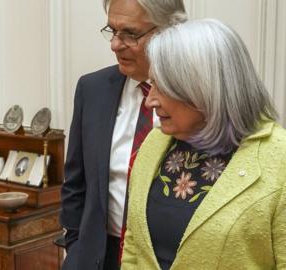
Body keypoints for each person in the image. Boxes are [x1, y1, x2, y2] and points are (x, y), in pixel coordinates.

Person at [121, 19, 285, 269]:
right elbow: (134, 246)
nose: (149, 101)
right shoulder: (155, 142)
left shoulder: (279, 159)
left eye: (161, 86)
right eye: (151, 83)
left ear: (203, 88)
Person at [60, 0, 186, 269]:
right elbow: (75, 182)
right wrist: (75, 247)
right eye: (112, 30)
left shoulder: (192, 102)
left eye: (130, 34)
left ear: (169, 31)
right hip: (98, 256)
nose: (115, 45)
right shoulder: (92, 89)